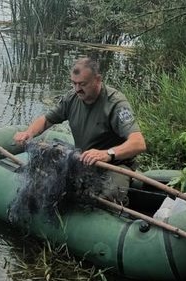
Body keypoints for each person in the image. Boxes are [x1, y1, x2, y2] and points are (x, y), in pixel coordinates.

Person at [13, 57, 146, 203]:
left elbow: (138, 143)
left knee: (107, 199)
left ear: (98, 79)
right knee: (47, 183)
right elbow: (47, 120)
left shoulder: (115, 103)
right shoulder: (71, 98)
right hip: (84, 160)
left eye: (82, 84)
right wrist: (29, 133)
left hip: (115, 165)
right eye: (74, 83)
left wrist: (108, 154)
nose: (77, 89)